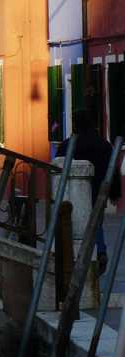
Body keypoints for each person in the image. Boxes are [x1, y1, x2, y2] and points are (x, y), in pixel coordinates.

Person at [58, 109, 122, 274]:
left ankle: (78, 256)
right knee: (96, 222)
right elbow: (112, 169)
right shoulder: (104, 145)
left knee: (75, 223)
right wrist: (114, 193)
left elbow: (57, 168)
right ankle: (100, 250)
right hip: (98, 190)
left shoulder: (67, 146)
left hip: (74, 193)